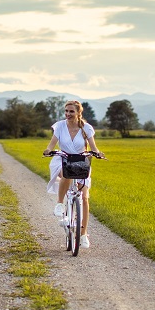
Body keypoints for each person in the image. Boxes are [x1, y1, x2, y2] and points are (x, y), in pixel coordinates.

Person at [43, 100, 104, 249]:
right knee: (66, 174)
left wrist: (97, 153)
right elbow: (52, 144)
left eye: (71, 111)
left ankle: (83, 234)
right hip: (63, 159)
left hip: (81, 161)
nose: (68, 114)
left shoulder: (86, 128)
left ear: (78, 113)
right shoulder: (60, 126)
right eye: (66, 111)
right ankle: (59, 204)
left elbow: (93, 147)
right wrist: (48, 150)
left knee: (84, 197)